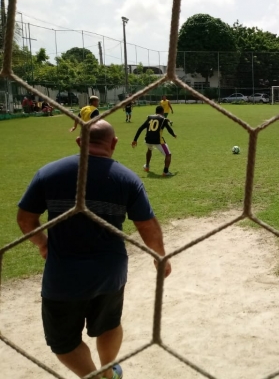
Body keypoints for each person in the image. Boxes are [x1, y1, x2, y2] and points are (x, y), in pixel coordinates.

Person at [16, 120, 172, 379]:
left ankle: (94, 376)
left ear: (80, 142)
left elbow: (25, 219)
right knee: (109, 323)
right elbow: (147, 225)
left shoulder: (49, 172)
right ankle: (108, 371)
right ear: (114, 143)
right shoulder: (127, 179)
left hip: (63, 274)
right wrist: (160, 256)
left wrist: (43, 244)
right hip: (110, 273)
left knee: (63, 341)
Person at [132, 106, 177, 177]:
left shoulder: (149, 117)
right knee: (168, 154)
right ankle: (166, 171)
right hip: (158, 141)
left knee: (149, 149)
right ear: (162, 112)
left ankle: (147, 166)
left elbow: (140, 128)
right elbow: (169, 129)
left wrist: (135, 140)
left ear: (156, 111)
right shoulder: (163, 119)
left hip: (148, 140)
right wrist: (174, 135)